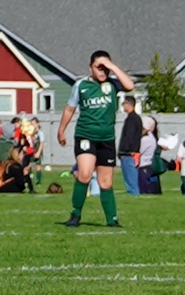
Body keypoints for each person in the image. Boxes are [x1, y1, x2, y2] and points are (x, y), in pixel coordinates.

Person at [57, 51, 137, 227]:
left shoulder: (113, 84)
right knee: (85, 174)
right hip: (86, 135)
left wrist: (112, 66)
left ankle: (112, 220)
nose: (102, 72)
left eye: (105, 68)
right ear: (90, 67)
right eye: (98, 67)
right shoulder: (81, 85)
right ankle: (75, 214)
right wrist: (61, 130)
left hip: (106, 138)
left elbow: (130, 86)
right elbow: (70, 108)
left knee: (106, 182)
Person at [118, 98, 144, 195]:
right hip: (132, 153)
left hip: (129, 154)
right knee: (131, 178)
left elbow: (129, 136)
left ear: (129, 104)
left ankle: (133, 194)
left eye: (124, 103)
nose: (123, 105)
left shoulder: (132, 119)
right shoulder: (135, 118)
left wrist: (125, 150)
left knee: (131, 179)